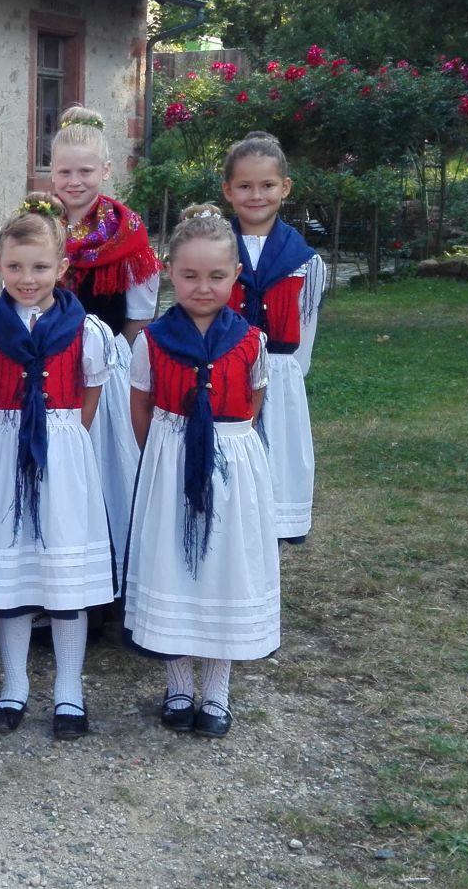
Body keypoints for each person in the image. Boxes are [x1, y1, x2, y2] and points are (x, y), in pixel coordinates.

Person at [0, 195, 115, 740]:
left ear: (62, 268)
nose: (28, 279)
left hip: (64, 454)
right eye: (16, 267)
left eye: (41, 267)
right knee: (14, 573)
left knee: (63, 575)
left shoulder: (87, 330)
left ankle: (69, 689)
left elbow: (90, 392)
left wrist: (64, 435)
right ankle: (14, 685)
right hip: (6, 451)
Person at [123, 204, 275, 738]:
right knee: (173, 568)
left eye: (216, 276)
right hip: (170, 463)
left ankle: (217, 691)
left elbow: (254, 402)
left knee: (222, 571)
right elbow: (140, 408)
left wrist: (224, 445)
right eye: (190, 276)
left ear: (236, 275)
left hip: (232, 465)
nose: (203, 287)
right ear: (170, 272)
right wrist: (165, 459)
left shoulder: (251, 341)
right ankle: (178, 685)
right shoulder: (152, 342)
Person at [47, 107, 160, 580]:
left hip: (104, 369)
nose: (74, 182)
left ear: (106, 171)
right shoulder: (38, 224)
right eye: (64, 172)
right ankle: (56, 571)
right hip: (48, 369)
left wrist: (109, 361)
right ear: (51, 172)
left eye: (85, 171)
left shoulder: (126, 235)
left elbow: (139, 316)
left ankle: (109, 574)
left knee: (104, 468)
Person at [221, 131, 327, 541]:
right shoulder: (215, 250)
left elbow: (305, 336)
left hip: (280, 380)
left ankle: (272, 548)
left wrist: (281, 377)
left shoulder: (306, 262)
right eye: (245, 186)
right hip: (222, 375)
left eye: (266, 185)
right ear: (228, 191)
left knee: (276, 468)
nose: (256, 195)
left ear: (284, 188)